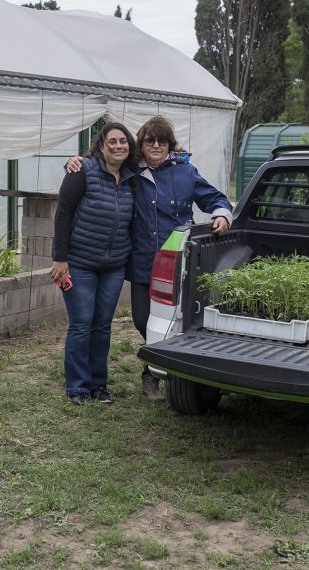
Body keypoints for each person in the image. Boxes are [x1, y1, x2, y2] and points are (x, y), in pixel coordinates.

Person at [67, 116, 231, 400]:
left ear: (170, 145)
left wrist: (221, 215)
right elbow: (101, 160)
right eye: (149, 140)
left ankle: (153, 373)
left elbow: (215, 198)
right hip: (142, 264)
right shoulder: (131, 171)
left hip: (179, 264)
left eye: (162, 141)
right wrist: (74, 161)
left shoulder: (185, 172)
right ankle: (158, 366)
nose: (156, 145)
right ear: (140, 145)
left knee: (180, 321)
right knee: (143, 321)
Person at [50, 122, 138, 405]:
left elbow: (161, 154)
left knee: (102, 325)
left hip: (113, 265)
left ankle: (98, 385)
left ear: (129, 146)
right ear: (101, 146)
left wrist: (178, 151)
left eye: (123, 141)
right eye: (111, 141)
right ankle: (77, 386)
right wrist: (59, 259)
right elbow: (63, 214)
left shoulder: (131, 177)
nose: (118, 146)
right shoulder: (82, 171)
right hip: (79, 263)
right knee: (81, 324)